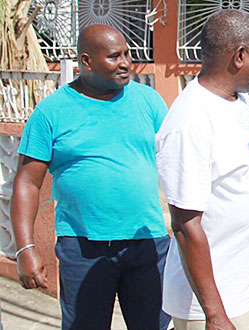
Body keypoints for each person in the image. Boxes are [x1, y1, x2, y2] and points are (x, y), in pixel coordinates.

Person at [11, 25, 170, 330]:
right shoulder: (51, 112)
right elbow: (27, 182)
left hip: (147, 242)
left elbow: (177, 161)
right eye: (114, 56)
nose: (125, 62)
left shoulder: (148, 101)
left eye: (126, 53)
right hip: (83, 247)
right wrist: (25, 248)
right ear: (86, 61)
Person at [156, 10, 249, 330]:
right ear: (240, 56)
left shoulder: (234, 101)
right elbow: (186, 225)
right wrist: (215, 314)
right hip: (224, 304)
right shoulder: (190, 122)